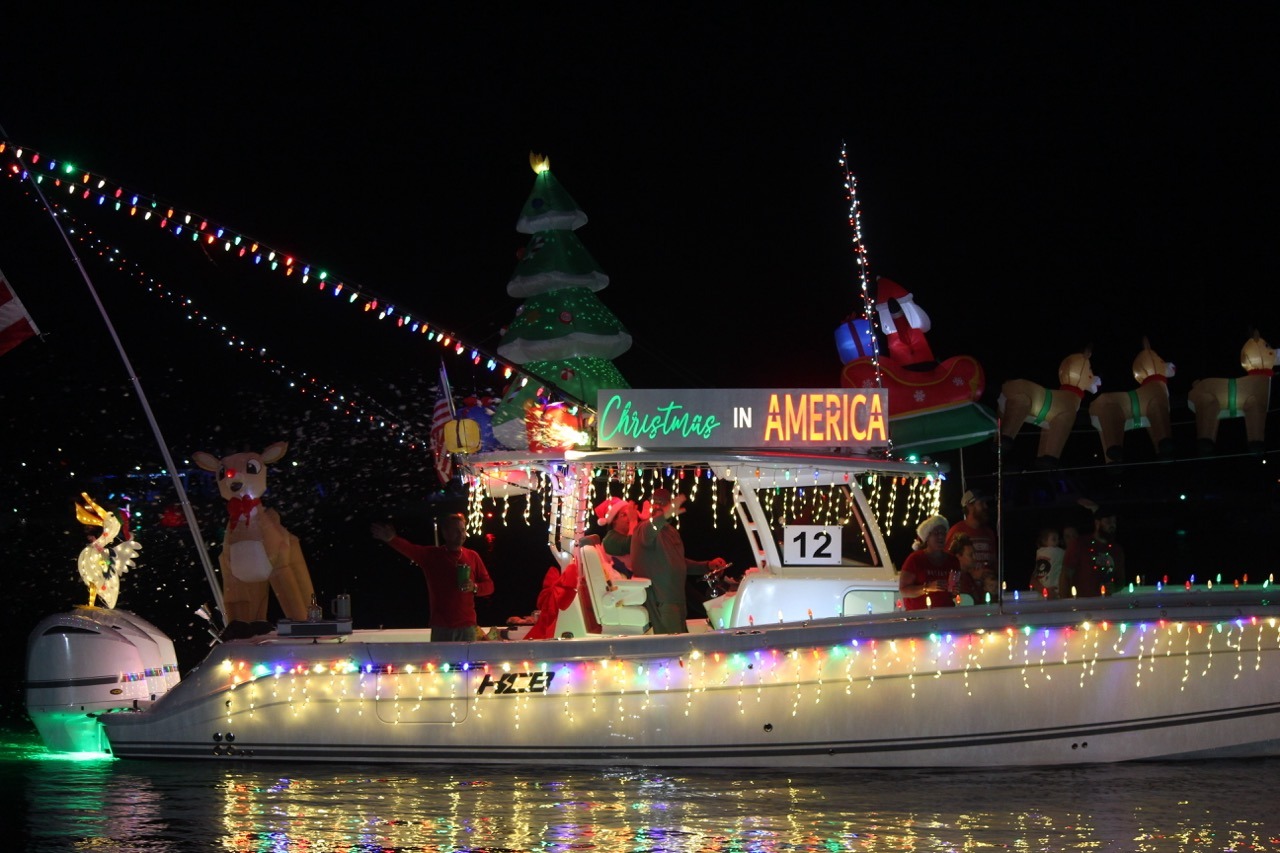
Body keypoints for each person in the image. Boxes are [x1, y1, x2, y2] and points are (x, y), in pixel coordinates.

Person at [370, 512, 494, 641]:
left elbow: (489, 586)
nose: (461, 534)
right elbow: (410, 549)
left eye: (463, 530)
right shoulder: (432, 556)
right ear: (445, 533)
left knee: (469, 661)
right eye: (456, 531)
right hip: (441, 627)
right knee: (440, 661)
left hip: (467, 627)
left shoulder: (472, 556)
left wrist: (474, 587)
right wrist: (392, 539)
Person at [629, 488, 728, 634]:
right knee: (671, 649)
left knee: (682, 645)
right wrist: (666, 513)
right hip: (661, 600)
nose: (658, 507)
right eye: (655, 503)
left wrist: (707, 566)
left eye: (663, 503)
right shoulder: (642, 529)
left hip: (677, 599)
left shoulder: (670, 531)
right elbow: (651, 528)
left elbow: (679, 563)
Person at [1059, 504, 1126, 597]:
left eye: (1114, 522)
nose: (1112, 525)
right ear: (1097, 523)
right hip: (1082, 605)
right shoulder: (1080, 544)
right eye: (1108, 521)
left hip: (1107, 605)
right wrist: (1065, 604)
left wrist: (1115, 587)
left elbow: (1121, 581)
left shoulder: (1117, 550)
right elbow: (1066, 576)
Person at [899, 514, 959, 610]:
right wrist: (928, 587)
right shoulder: (915, 559)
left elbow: (952, 593)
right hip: (919, 616)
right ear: (927, 537)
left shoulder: (953, 561)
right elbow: (904, 590)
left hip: (946, 614)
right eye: (936, 533)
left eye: (943, 533)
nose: (941, 536)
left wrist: (955, 591)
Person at [946, 489, 998, 580]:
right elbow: (947, 562)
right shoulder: (957, 531)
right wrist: (971, 574)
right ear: (969, 505)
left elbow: (993, 562)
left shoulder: (988, 532)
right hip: (965, 588)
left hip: (988, 588)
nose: (985, 507)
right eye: (981, 503)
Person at [950, 532, 996, 604]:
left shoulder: (968, 576)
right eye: (970, 555)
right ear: (958, 556)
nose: (974, 558)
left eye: (974, 554)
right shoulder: (954, 579)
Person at [600, 499, 639, 579]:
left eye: (629, 514)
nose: (628, 517)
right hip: (627, 586)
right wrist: (633, 521)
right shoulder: (610, 539)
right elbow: (631, 546)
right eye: (624, 515)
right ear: (614, 520)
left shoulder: (623, 536)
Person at [1030, 527, 1065, 598]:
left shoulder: (1040, 552)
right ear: (1044, 541)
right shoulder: (1058, 552)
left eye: (1058, 539)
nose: (1057, 542)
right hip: (1052, 589)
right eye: (1054, 539)